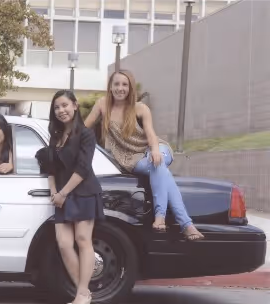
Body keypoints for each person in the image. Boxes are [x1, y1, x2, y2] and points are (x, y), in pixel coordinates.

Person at [84, 69, 204, 241]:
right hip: (130, 156)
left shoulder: (140, 108)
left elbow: (150, 134)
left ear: (130, 87)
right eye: (116, 84)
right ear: (110, 87)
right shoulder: (103, 104)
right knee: (162, 172)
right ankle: (186, 224)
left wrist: (155, 150)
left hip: (156, 148)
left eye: (124, 84)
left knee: (157, 162)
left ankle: (160, 217)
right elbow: (84, 127)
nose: (120, 88)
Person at [36, 90, 104, 304]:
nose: (61, 110)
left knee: (83, 240)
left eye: (65, 105)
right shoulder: (55, 135)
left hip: (82, 192)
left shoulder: (86, 134)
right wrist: (55, 192)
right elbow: (51, 168)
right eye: (57, 107)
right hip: (62, 194)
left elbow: (83, 169)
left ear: (75, 106)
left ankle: (82, 297)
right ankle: (83, 293)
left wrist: (63, 193)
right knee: (64, 244)